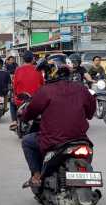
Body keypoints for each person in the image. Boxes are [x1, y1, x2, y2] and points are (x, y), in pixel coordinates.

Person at [19, 60, 96, 188]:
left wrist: (24, 117)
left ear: (51, 75)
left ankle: (37, 176)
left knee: (27, 141)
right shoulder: (82, 89)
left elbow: (30, 112)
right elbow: (90, 113)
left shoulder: (46, 90)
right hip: (80, 139)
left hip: (54, 140)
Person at [11, 51, 45, 131]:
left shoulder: (18, 70)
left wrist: (16, 94)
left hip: (21, 100)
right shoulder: (38, 70)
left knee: (12, 103)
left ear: (23, 59)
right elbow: (43, 84)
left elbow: (14, 86)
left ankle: (14, 122)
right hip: (36, 100)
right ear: (33, 59)